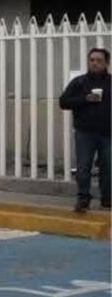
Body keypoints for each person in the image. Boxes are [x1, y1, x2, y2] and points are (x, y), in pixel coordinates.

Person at [59, 47, 111, 212]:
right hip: (85, 132)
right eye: (92, 60)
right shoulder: (80, 82)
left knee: (108, 167)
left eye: (99, 60)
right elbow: (64, 102)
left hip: (108, 133)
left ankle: (107, 198)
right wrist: (85, 99)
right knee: (83, 167)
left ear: (107, 63)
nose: (95, 63)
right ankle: (83, 198)